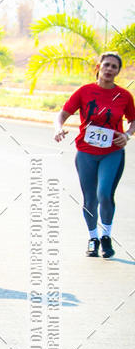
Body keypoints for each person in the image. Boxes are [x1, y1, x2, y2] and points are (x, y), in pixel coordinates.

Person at [55, 51, 134, 258]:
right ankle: (93, 238)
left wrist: (127, 135)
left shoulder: (124, 96)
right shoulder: (84, 92)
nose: (109, 69)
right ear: (98, 67)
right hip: (86, 153)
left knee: (104, 194)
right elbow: (63, 114)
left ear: (118, 71)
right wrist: (58, 128)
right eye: (106, 65)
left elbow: (133, 120)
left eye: (114, 67)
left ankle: (106, 236)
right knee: (90, 199)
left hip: (112, 153)